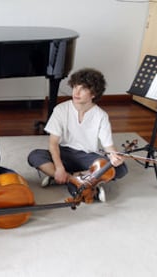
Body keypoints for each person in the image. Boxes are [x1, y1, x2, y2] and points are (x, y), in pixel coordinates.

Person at [27, 68, 128, 202]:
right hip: (64, 153)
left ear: (94, 93)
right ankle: (80, 180)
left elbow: (109, 147)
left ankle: (68, 178)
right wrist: (59, 167)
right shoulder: (61, 109)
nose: (76, 92)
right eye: (75, 87)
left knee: (120, 168)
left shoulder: (101, 115)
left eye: (83, 89)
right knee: (35, 156)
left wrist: (115, 157)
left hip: (87, 157)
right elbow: (53, 144)